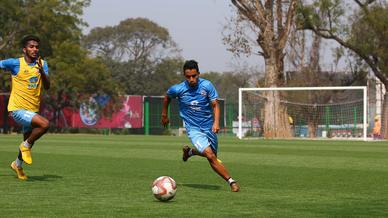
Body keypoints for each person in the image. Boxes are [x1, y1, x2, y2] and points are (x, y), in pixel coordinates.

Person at [161, 60, 240, 192]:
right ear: (184, 76)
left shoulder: (207, 85)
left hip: (208, 126)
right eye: (188, 77)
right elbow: (167, 98)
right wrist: (164, 114)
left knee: (212, 154)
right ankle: (231, 181)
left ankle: (190, 152)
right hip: (193, 128)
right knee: (210, 156)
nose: (191, 79)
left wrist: (215, 123)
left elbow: (215, 105)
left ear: (198, 73)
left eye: (194, 76)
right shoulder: (178, 89)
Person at [0, 35, 50, 180]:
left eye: (36, 47)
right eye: (31, 46)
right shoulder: (15, 63)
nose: (35, 49)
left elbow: (47, 86)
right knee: (44, 125)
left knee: (29, 140)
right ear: (24, 49)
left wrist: (41, 72)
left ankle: (17, 165)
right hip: (17, 109)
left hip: (32, 110)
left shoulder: (42, 64)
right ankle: (25, 146)